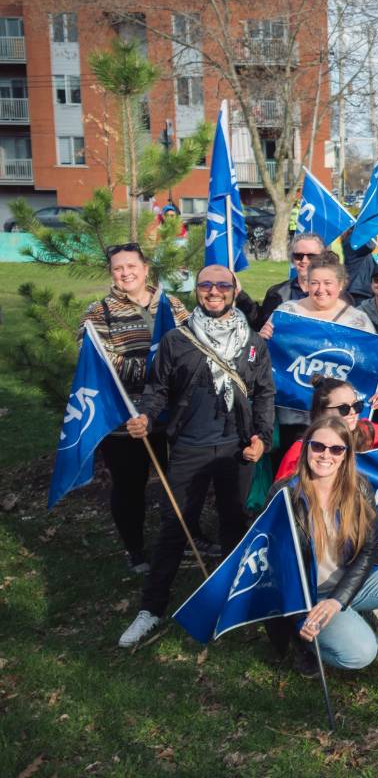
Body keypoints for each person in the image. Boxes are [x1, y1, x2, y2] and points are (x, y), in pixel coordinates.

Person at [117, 264, 275, 647]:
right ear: (197, 291)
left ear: (235, 290)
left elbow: (265, 393)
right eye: (206, 285)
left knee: (234, 526)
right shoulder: (177, 339)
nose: (214, 291)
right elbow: (158, 389)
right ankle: (151, 608)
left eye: (223, 284)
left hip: (236, 448)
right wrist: (146, 414)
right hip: (190, 445)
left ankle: (232, 603)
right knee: (175, 527)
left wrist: (263, 438)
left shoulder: (253, 342)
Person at [275, 417, 378, 674]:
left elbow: (367, 550)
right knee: (362, 654)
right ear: (306, 447)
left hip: (350, 583)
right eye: (318, 446)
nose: (325, 455)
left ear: (346, 454)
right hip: (310, 596)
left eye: (336, 449)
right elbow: (275, 568)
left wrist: (339, 600)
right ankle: (305, 644)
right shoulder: (285, 495)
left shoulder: (359, 487)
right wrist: (298, 617)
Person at [80, 242, 191, 573]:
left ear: (146, 269)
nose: (126, 273)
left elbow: (193, 341)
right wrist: (157, 369)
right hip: (124, 416)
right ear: (111, 273)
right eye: (118, 268)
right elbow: (97, 359)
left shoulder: (171, 304)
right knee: (130, 485)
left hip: (174, 413)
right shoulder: (99, 311)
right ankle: (136, 550)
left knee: (180, 482)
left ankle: (180, 541)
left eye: (132, 266)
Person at [261, 253, 378, 451]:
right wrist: (262, 338)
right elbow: (263, 353)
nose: (321, 289)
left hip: (339, 419)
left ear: (340, 285)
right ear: (306, 284)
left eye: (328, 283)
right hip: (293, 416)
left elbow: (375, 359)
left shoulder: (357, 320)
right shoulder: (287, 312)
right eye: (314, 283)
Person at [274, 377, 378, 482]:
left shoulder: (364, 430)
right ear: (322, 412)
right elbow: (279, 499)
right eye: (344, 409)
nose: (353, 412)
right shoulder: (301, 449)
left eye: (357, 405)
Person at [241, 231, 325, 327]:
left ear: (322, 258)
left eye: (311, 256)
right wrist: (240, 295)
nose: (304, 260)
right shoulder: (277, 293)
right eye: (298, 256)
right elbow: (260, 324)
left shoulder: (335, 294)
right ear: (292, 258)